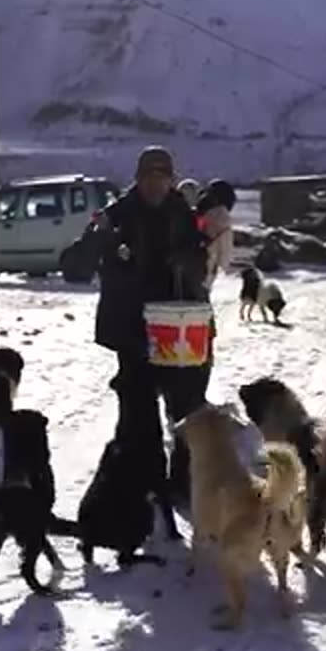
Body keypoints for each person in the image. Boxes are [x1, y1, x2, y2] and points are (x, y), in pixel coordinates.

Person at [93, 146, 209, 535]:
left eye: (163, 176)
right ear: (139, 178)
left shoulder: (184, 215)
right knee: (138, 421)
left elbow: (200, 263)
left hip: (178, 328)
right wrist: (102, 244)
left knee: (187, 413)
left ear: (171, 178)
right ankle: (140, 489)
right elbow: (75, 261)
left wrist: (189, 260)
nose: (156, 183)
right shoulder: (118, 215)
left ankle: (182, 484)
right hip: (134, 333)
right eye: (149, 176)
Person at [194, 179, 237, 296]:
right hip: (204, 270)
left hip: (193, 267)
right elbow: (225, 256)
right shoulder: (222, 217)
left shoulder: (201, 214)